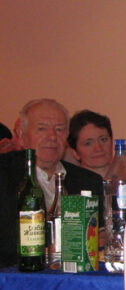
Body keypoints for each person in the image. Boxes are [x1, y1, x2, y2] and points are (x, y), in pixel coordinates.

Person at [0, 99, 104, 267]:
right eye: (41, 129)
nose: (52, 137)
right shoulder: (4, 176)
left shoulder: (89, 182)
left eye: (59, 129)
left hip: (76, 277)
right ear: (21, 135)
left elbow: (102, 237)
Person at [67, 109, 114, 178]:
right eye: (88, 143)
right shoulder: (67, 183)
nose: (98, 148)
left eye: (103, 139)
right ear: (75, 153)